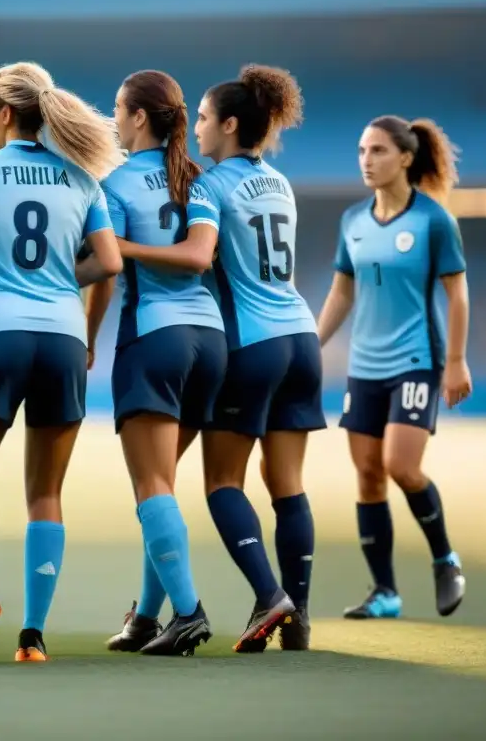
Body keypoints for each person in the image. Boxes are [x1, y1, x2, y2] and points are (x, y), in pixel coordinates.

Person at [117, 65, 319, 652]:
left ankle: (269, 595)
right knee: (287, 485)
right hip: (300, 335)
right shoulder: (280, 184)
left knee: (220, 483)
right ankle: (298, 616)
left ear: (230, 125)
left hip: (248, 342)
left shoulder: (208, 184)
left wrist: (118, 247)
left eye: (204, 118)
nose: (197, 128)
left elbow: (199, 253)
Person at [0, 61, 123, 662]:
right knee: (45, 495)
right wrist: (63, 281)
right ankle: (33, 637)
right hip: (64, 336)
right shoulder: (81, 181)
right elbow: (111, 263)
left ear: (4, 112)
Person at [91, 70, 225, 656]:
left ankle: (188, 613)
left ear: (140, 117)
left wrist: (88, 328)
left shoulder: (114, 184)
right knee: (163, 487)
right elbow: (202, 256)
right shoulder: (200, 179)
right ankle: (147, 616)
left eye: (120, 109)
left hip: (154, 341)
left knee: (151, 488)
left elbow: (107, 266)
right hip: (211, 345)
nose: (115, 119)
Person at [316, 115, 469, 620]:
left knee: (401, 467)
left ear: (405, 158)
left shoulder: (432, 220)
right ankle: (385, 591)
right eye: (362, 151)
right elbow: (343, 291)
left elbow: (457, 293)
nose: (366, 160)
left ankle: (445, 559)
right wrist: (312, 345)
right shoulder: (353, 222)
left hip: (416, 361)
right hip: (365, 367)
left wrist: (455, 362)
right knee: (367, 475)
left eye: (378, 151)